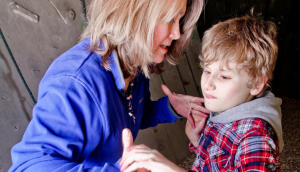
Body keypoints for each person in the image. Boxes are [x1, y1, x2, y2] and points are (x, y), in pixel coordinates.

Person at [8, 0, 209, 171]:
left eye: (179, 19)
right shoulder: (75, 83)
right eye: (169, 19)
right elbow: (27, 165)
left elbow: (129, 116)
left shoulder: (134, 66)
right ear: (133, 15)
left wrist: (169, 108)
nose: (176, 33)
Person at [119, 10, 284, 172]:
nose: (208, 84)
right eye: (207, 70)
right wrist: (199, 141)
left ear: (256, 84)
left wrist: (169, 168)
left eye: (224, 77)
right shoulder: (229, 106)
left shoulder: (256, 137)